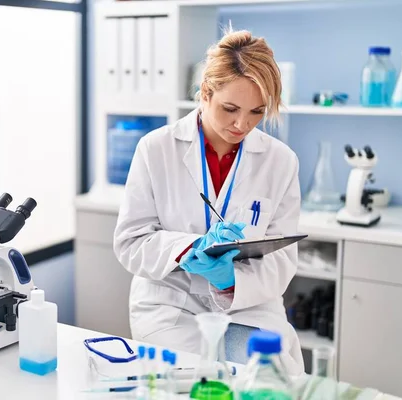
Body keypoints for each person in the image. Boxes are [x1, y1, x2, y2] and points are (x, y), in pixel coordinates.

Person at [113, 29, 304, 375]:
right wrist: (190, 249)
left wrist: (228, 279)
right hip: (172, 304)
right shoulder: (156, 149)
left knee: (264, 378)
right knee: (191, 380)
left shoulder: (281, 161)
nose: (241, 124)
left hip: (249, 306)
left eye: (257, 112)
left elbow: (282, 261)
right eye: (229, 108)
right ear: (205, 93)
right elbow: (130, 242)